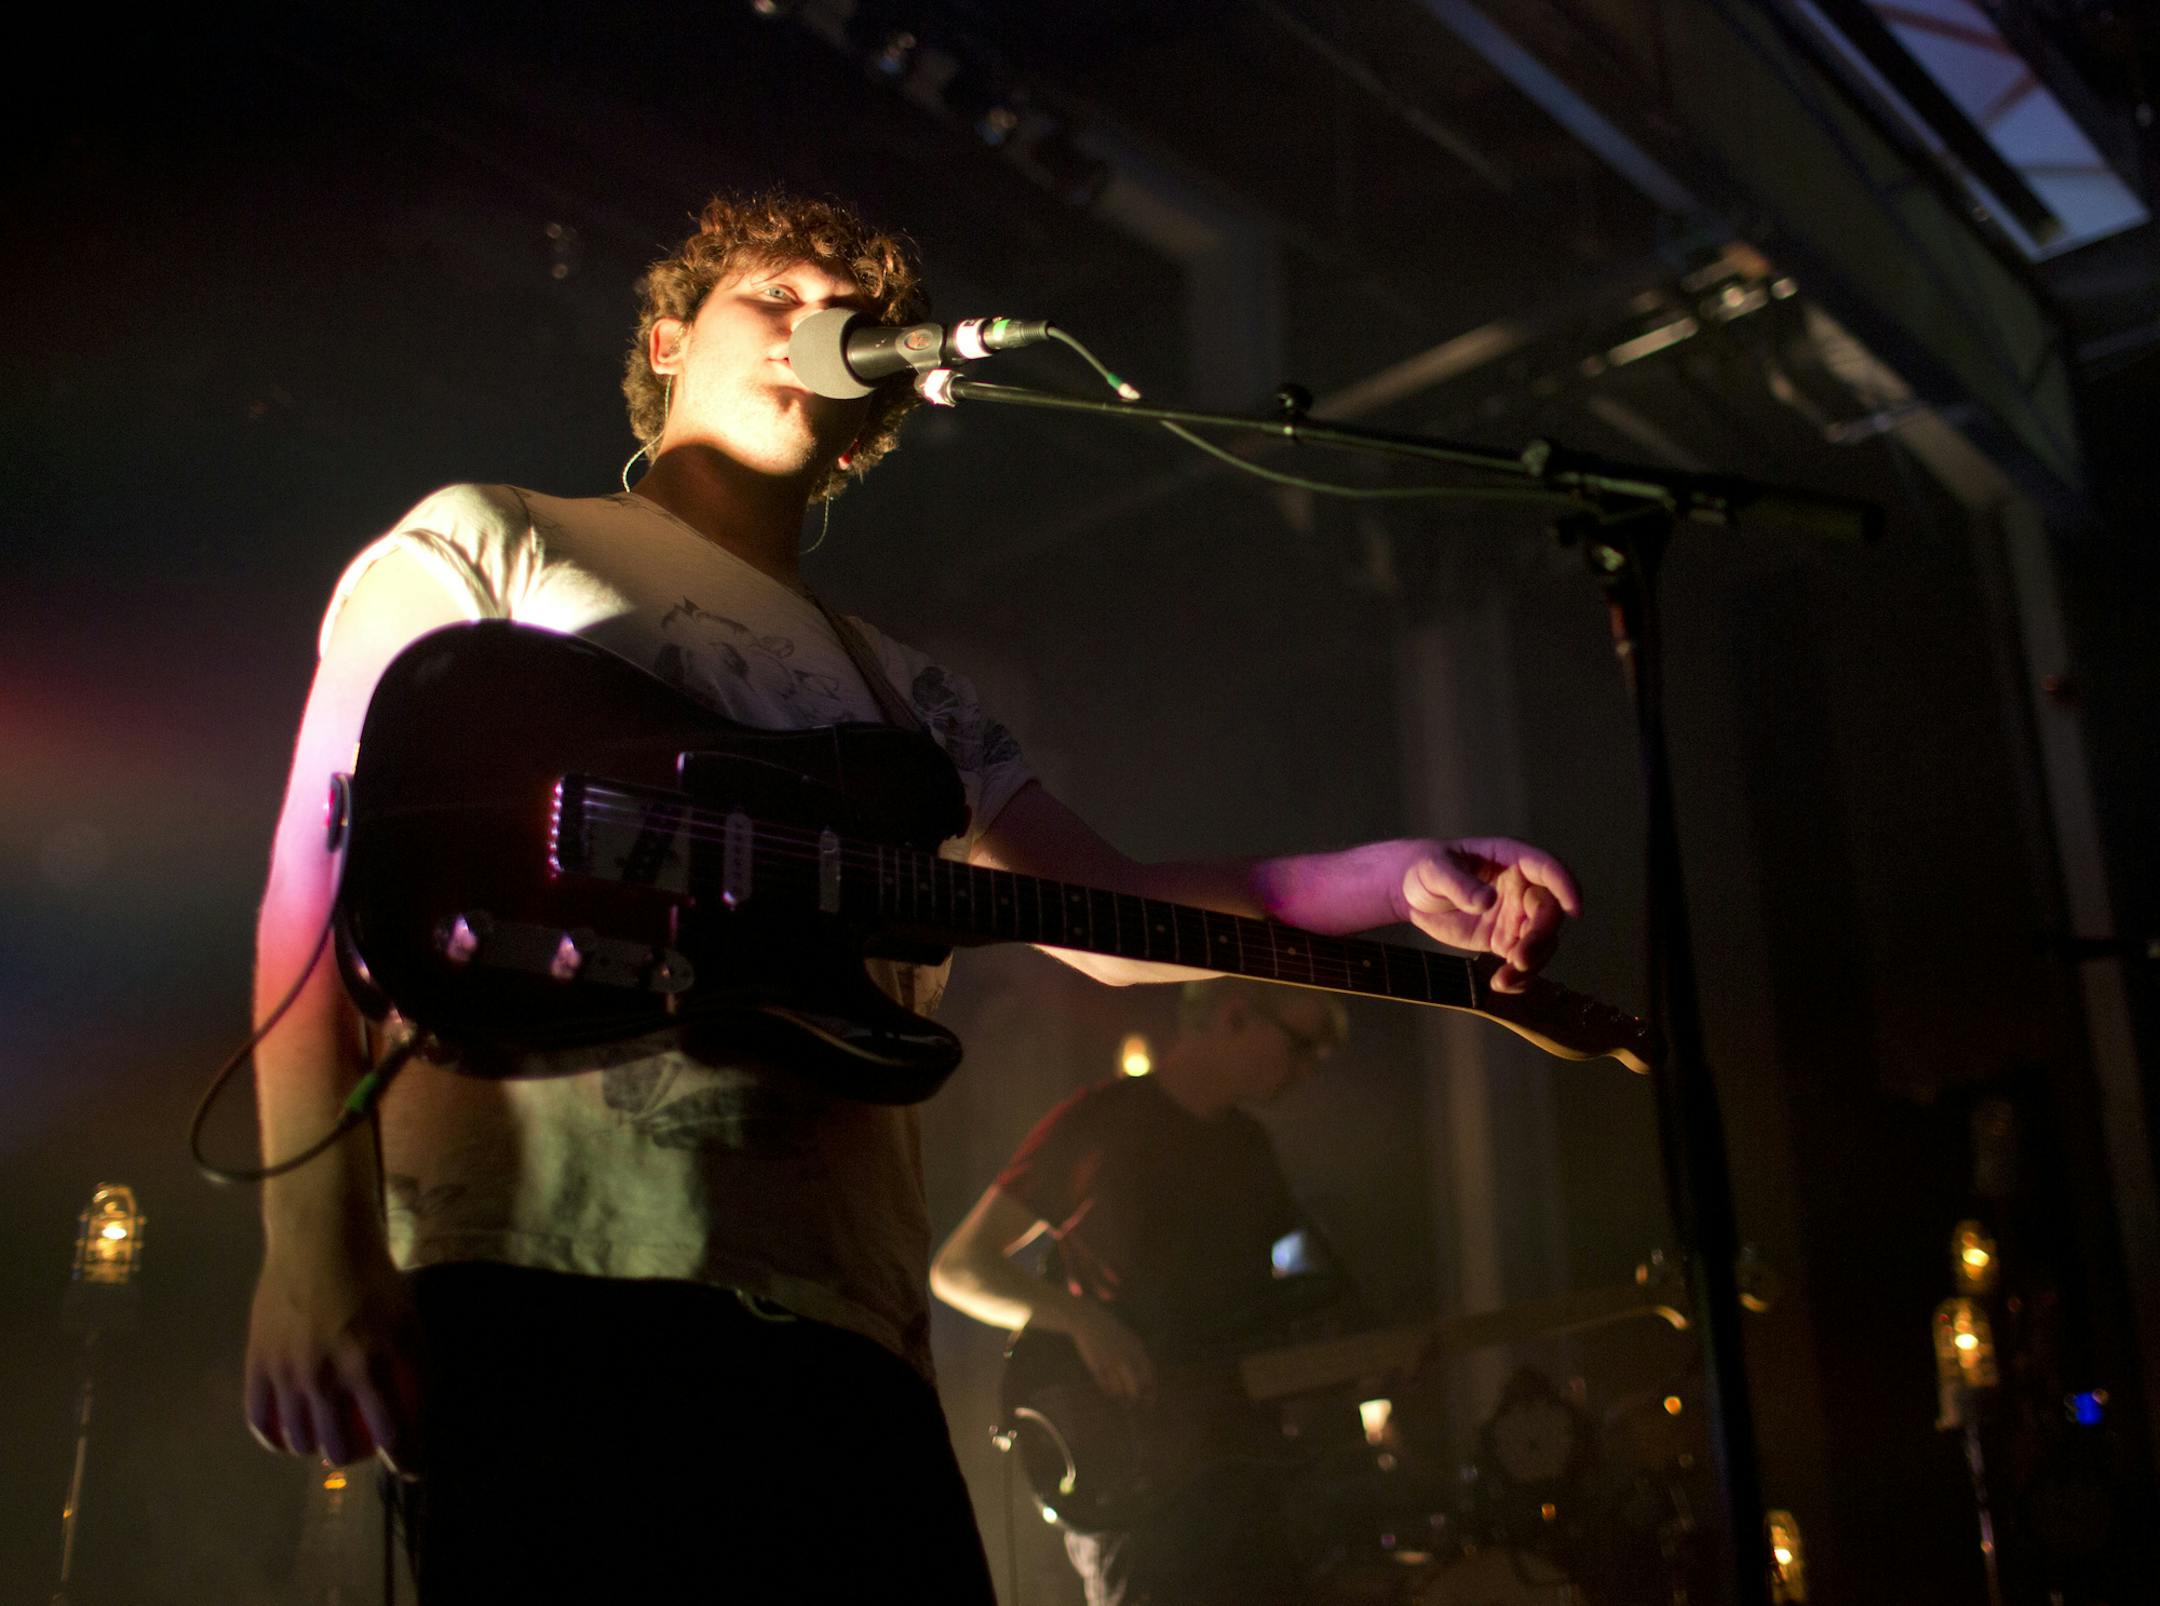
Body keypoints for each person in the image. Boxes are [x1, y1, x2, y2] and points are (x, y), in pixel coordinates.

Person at [240, 189, 1582, 1602]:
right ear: (663, 335)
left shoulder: (906, 691)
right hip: (545, 1289)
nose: (820, 322)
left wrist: (1389, 877)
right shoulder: (490, 537)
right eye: (776, 293)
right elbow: (308, 887)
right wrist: (309, 1254)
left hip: (844, 1341)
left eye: (855, 314)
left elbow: (1114, 915)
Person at [930, 980, 1351, 1606]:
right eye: (1302, 1046)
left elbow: (1301, 1281)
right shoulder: (1102, 1122)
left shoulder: (1249, 1148)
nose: (1309, 1070)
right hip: (1132, 1482)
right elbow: (960, 1267)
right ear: (1235, 1017)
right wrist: (1082, 1321)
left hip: (1238, 1477)